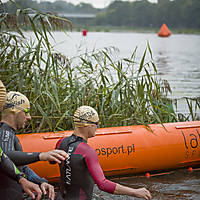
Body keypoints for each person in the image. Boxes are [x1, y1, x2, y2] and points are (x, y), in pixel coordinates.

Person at [55, 105, 152, 200]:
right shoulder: (87, 151)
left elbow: (52, 161)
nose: (97, 127)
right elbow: (103, 184)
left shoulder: (61, 142)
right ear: (89, 125)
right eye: (96, 124)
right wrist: (135, 192)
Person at [0, 90, 68, 200]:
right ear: (14, 111)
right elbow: (5, 156)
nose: (29, 117)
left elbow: (22, 168)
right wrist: (41, 156)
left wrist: (40, 181)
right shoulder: (4, 133)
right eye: (26, 111)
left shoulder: (10, 135)